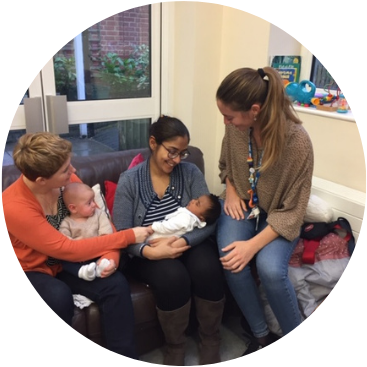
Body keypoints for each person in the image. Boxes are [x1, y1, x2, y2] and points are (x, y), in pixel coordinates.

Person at [2, 132, 152, 360]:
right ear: (40, 180)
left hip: (66, 263)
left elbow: (100, 217)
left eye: (69, 164)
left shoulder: (69, 183)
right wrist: (129, 236)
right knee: (57, 296)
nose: (73, 172)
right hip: (35, 268)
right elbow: (66, 248)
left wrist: (111, 256)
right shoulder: (13, 206)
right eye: (65, 170)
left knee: (115, 283)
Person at [215, 67, 314, 354]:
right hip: (244, 205)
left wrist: (252, 246)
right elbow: (226, 166)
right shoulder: (236, 128)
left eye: (230, 116)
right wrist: (231, 190)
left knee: (269, 269)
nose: (225, 121)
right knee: (230, 258)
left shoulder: (296, 142)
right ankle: (261, 336)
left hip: (280, 216)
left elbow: (294, 210)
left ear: (255, 110)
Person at [113, 115, 226, 366]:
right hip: (148, 250)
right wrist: (148, 252)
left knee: (208, 268)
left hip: (189, 242)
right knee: (173, 277)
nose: (176, 160)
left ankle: (210, 339)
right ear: (153, 143)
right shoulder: (129, 181)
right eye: (172, 152)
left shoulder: (190, 173)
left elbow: (209, 219)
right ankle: (175, 346)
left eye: (182, 154)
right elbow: (121, 232)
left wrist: (183, 241)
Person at [59, 182, 114, 281]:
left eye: (93, 200)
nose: (94, 204)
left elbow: (107, 234)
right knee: (63, 262)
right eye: (89, 203)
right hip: (77, 256)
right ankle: (82, 271)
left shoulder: (99, 214)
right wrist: (78, 248)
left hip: (97, 252)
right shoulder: (66, 222)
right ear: (73, 208)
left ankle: (99, 267)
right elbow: (65, 241)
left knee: (108, 256)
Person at [147, 193, 221, 241]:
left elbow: (170, 226)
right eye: (196, 199)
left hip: (156, 237)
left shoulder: (186, 219)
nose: (193, 201)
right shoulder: (189, 217)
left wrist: (154, 227)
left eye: (197, 204)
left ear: (201, 218)